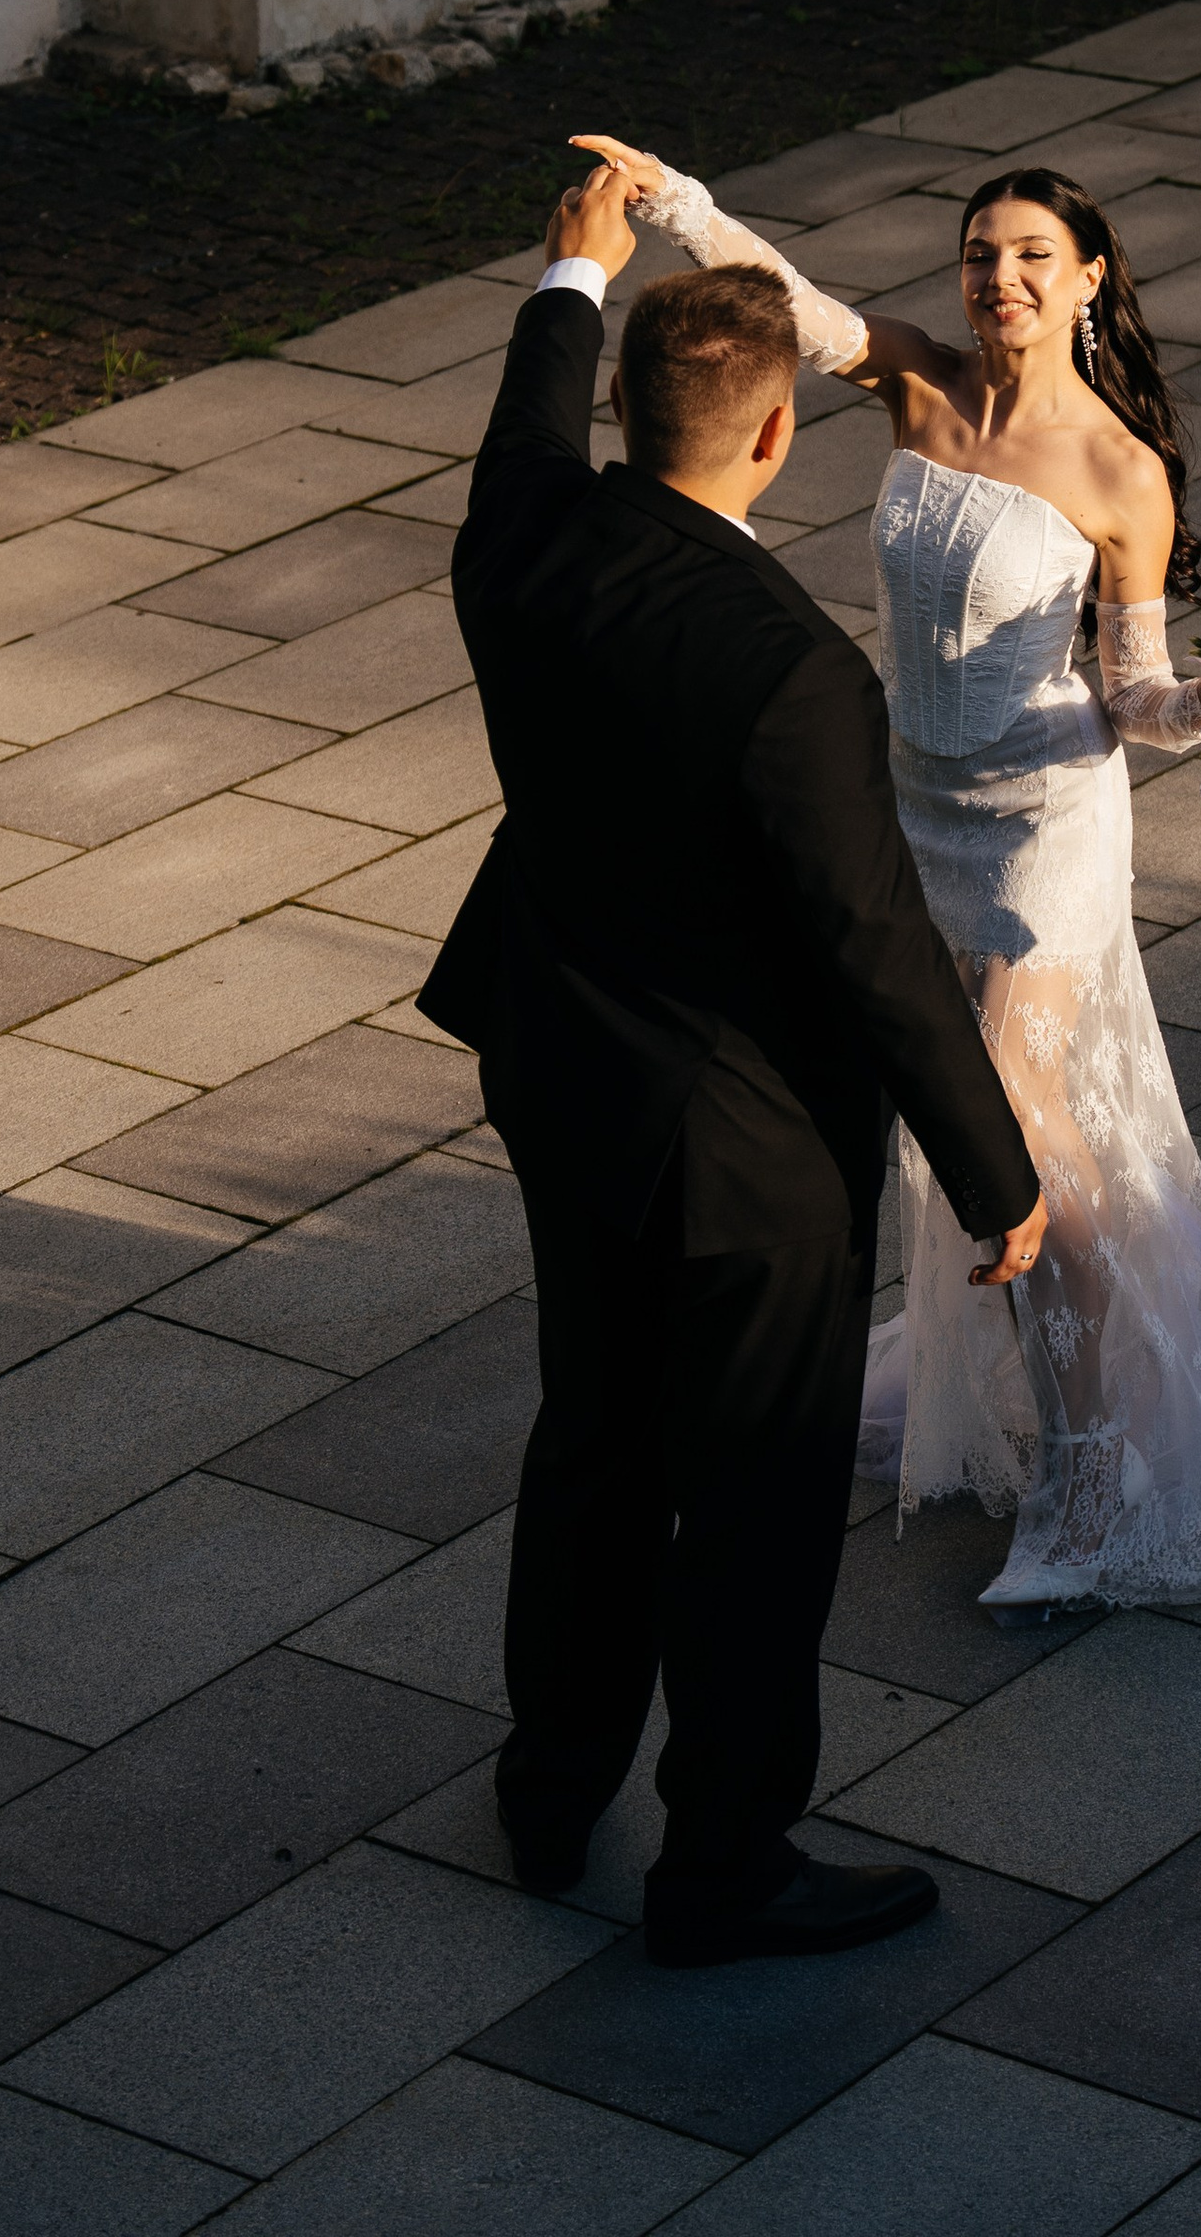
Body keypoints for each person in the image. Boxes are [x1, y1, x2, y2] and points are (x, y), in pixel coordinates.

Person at [572, 134, 1201, 1620]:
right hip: (906, 812)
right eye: (981, 254)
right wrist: (675, 203)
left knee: (1017, 1125)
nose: (999, 279)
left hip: (1043, 831)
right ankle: (1041, 1404)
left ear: (1088, 284)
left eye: (1030, 259)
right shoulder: (917, 382)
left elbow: (1128, 690)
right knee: (966, 1144)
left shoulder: (1119, 470)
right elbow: (786, 301)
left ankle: (1093, 1481)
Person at [421, 162, 1046, 1966]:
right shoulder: (790, 673)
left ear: (630, 415)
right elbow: (877, 954)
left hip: (561, 1076)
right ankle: (725, 1865)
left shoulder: (524, 537)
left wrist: (572, 262)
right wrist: (996, 1179)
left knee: (595, 1438)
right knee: (758, 1505)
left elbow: (526, 410)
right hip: (743, 1150)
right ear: (777, 435)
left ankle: (552, 1790)